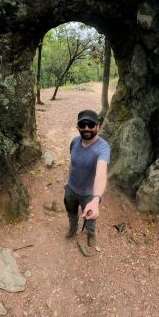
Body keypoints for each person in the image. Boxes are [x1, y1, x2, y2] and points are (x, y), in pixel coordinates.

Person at [65, 109, 111, 257]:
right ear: (78, 126)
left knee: (90, 218)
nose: (86, 128)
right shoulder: (74, 142)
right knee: (71, 211)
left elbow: (101, 173)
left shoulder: (103, 148)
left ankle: (91, 233)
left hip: (89, 195)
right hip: (71, 189)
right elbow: (73, 162)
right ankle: (73, 228)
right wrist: (68, 181)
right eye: (82, 125)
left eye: (90, 125)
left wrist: (96, 199)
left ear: (97, 126)